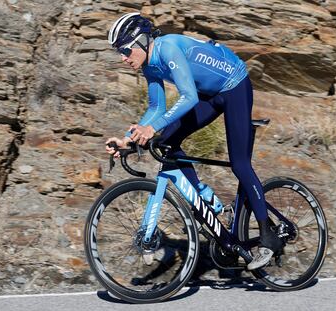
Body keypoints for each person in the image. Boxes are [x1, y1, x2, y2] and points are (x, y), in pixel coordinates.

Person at [105, 12, 283, 270]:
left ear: (142, 41)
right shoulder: (149, 65)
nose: (123, 58)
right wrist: (127, 141)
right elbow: (156, 108)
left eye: (125, 50)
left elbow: (187, 98)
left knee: (240, 164)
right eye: (119, 53)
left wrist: (151, 127)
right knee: (166, 143)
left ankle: (269, 234)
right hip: (208, 95)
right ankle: (202, 196)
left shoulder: (168, 49)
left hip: (234, 87)